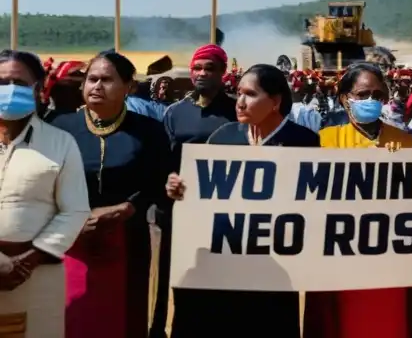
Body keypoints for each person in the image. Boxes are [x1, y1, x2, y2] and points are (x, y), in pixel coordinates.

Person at [166, 64, 318, 338]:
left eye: (250, 94)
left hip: (276, 268)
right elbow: (201, 197)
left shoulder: (304, 144)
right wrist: (180, 188)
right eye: (238, 93)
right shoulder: (223, 138)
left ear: (275, 101)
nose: (240, 102)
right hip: (224, 264)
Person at [50, 51, 171, 338]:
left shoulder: (150, 131)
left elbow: (160, 182)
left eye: (107, 80)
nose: (97, 86)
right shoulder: (59, 127)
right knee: (74, 316)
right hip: (71, 240)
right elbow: (43, 184)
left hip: (129, 239)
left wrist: (128, 208)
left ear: (129, 86)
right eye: (92, 79)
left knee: (124, 318)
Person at [304, 62, 412, 337]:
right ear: (345, 98)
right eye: (362, 94)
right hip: (339, 257)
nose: (371, 101)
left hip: (389, 257)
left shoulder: (404, 142)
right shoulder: (324, 140)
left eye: (378, 96)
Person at [0, 49, 90, 338]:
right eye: (1, 83)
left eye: (20, 83)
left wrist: (28, 261)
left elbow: (75, 210)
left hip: (37, 275)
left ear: (38, 88)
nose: (9, 90)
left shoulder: (61, 143)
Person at [152, 44, 237, 338]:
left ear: (223, 73)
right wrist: (169, 179)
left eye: (210, 68)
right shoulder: (176, 113)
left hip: (227, 213)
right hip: (181, 210)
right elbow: (163, 160)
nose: (202, 74)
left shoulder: (237, 110)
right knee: (179, 278)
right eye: (197, 68)